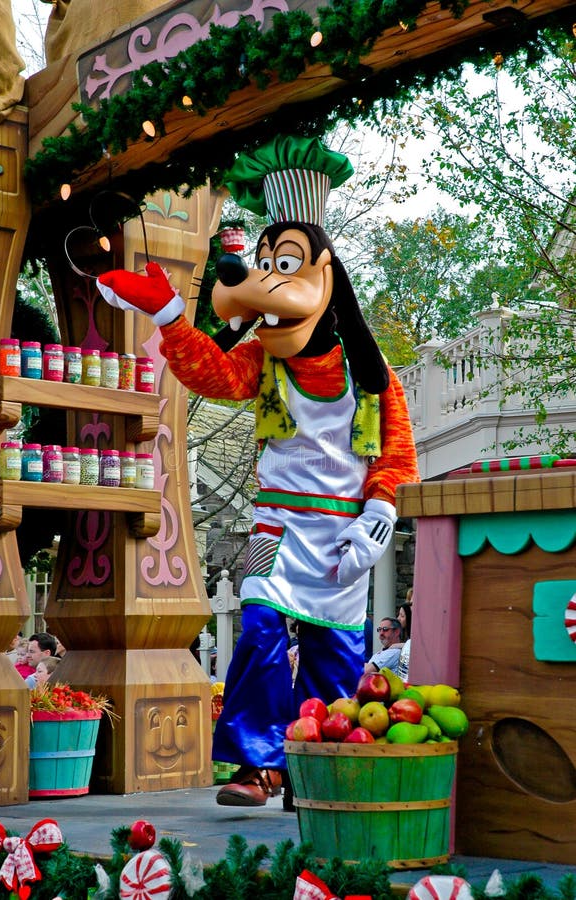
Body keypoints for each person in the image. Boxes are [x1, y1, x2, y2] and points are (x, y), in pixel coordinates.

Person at [97, 134, 419, 808]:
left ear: (326, 277)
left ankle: (319, 768)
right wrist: (168, 316)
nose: (266, 279)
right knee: (260, 629)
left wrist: (377, 520)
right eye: (264, 263)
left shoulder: (371, 374)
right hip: (273, 522)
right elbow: (211, 373)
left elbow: (397, 457)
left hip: (341, 533)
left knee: (335, 658)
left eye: (286, 263)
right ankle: (254, 764)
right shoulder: (263, 360)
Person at [396, 600, 412, 682]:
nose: (398, 618)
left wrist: (394, 646)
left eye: (402, 616)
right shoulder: (405, 635)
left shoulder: (410, 641)